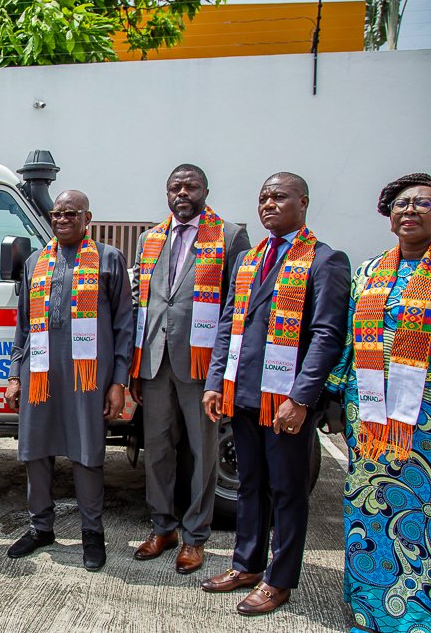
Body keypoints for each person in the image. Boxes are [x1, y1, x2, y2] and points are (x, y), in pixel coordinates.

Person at [201, 172, 350, 615]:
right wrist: (213, 383)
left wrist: (301, 398)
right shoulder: (249, 260)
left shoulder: (325, 261)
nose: (268, 203)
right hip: (242, 394)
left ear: (302, 203)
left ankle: (279, 580)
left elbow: (327, 335)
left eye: (279, 196)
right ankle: (247, 565)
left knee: (287, 490)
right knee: (251, 485)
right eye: (263, 197)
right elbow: (229, 324)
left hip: (286, 400)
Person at [130, 164, 250, 574]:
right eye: (175, 187)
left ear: (205, 190)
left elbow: (236, 309)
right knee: (158, 451)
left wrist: (220, 372)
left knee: (203, 451)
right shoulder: (150, 238)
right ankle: (162, 527)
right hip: (155, 361)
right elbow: (146, 303)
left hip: (201, 366)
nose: (182, 193)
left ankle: (195, 536)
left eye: (190, 186)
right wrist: (135, 367)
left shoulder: (231, 236)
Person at [5, 190, 133, 572]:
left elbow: (124, 325)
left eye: (70, 213)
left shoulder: (109, 260)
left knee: (87, 453)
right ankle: (40, 526)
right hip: (40, 373)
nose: (61, 219)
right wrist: (15, 374)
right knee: (36, 451)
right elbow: (23, 326)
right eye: (56, 213)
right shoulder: (34, 262)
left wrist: (118, 381)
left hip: (88, 377)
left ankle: (92, 534)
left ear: (87, 217)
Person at [325, 172, 431, 633]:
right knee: (370, 508)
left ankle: (414, 615)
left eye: (422, 203)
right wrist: (331, 391)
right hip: (368, 414)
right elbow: (349, 340)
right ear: (389, 217)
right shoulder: (370, 272)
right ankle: (372, 608)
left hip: (422, 419)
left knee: (421, 514)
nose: (409, 210)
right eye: (401, 204)